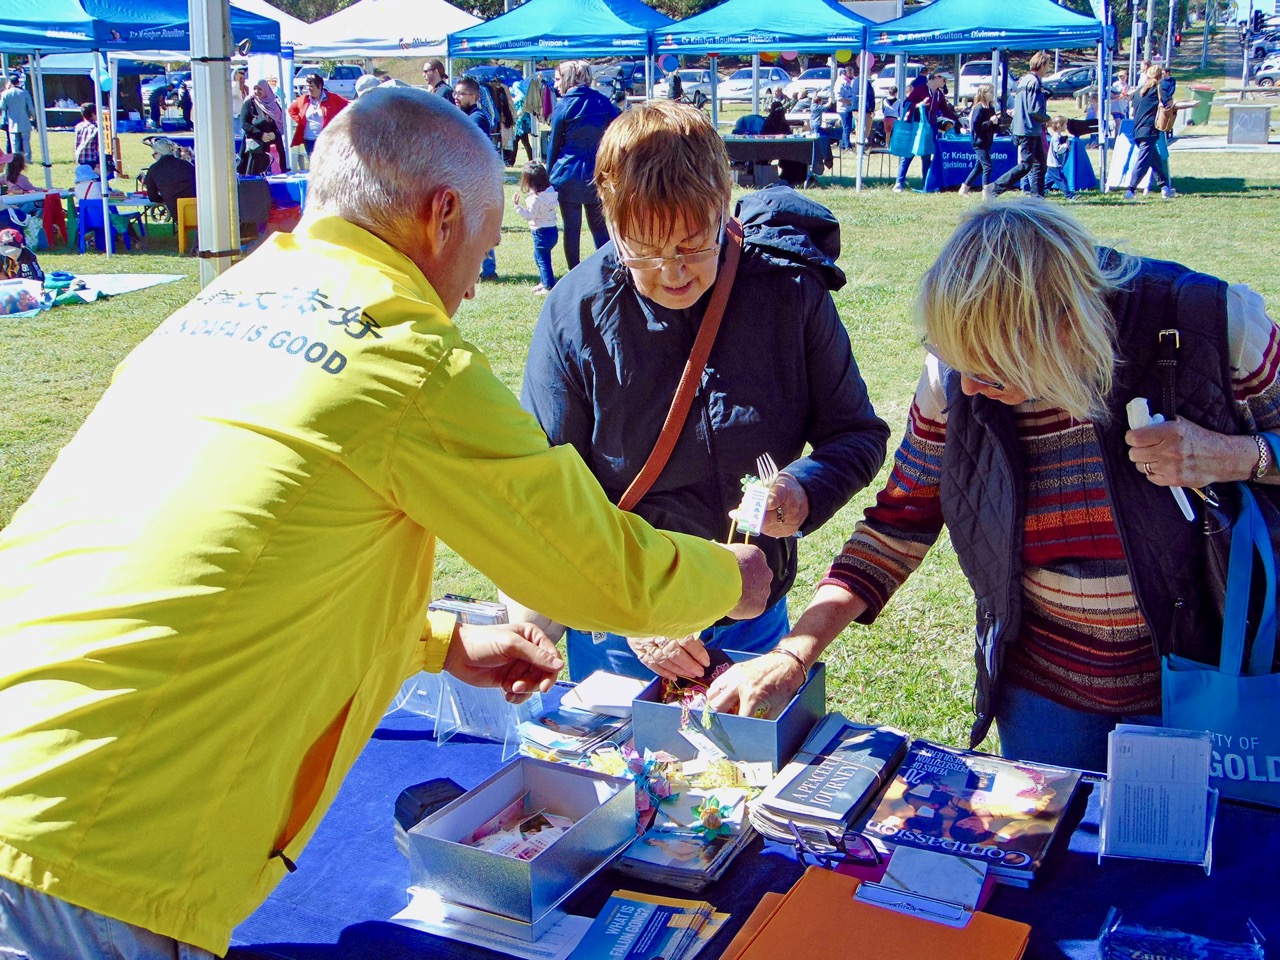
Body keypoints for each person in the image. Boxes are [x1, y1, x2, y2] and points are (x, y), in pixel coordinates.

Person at [0, 87, 771, 960]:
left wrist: (437, 641)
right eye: (482, 251)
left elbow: (250, 555)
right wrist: (729, 578)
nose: (476, 288)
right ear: (442, 217)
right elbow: (588, 568)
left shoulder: (218, 304)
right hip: (89, 851)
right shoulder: (405, 353)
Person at [708, 200, 1280, 773]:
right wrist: (793, 653)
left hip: (1208, 676)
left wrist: (1234, 455)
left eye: (996, 371)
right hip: (1045, 690)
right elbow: (898, 523)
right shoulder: (955, 379)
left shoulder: (1214, 323)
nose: (975, 389)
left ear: (1066, 326)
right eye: (962, 365)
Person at [521, 101, 890, 684]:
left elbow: (857, 434)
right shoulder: (576, 312)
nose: (673, 273)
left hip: (753, 611)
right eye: (644, 249)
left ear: (723, 208)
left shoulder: (789, 291)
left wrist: (801, 492)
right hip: (625, 622)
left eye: (694, 244)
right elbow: (546, 494)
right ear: (611, 223)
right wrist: (633, 610)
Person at [546, 60, 617, 271]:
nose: (556, 84)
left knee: (572, 228)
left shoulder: (564, 105)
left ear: (570, 79)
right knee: (599, 227)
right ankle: (609, 269)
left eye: (558, 79)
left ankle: (574, 273)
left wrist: (548, 175)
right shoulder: (603, 102)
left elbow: (554, 144)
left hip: (567, 173)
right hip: (597, 173)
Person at [455, 77, 499, 282]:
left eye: (462, 93)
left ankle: (488, 268)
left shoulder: (476, 118)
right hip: (470, 178)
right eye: (456, 93)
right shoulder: (464, 116)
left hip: (476, 180)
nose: (457, 97)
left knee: (479, 226)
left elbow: (470, 150)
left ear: (474, 96)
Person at [991, 51, 1051, 198]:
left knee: (1039, 165)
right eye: (1047, 65)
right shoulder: (1034, 82)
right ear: (1042, 65)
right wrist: (1047, 118)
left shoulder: (1024, 80)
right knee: (1026, 165)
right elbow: (1034, 109)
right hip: (1028, 129)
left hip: (1028, 128)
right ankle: (995, 188)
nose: (1048, 68)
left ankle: (1038, 198)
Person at [893, 70, 957, 193]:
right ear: (937, 77)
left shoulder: (939, 94)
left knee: (926, 156)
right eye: (944, 79)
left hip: (930, 127)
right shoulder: (921, 89)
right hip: (916, 126)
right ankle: (898, 183)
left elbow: (946, 111)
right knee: (908, 154)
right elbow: (906, 103)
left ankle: (926, 184)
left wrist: (958, 119)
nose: (945, 82)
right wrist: (919, 105)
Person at [1125, 64, 1177, 201]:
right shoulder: (1159, 89)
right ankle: (1131, 190)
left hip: (1137, 130)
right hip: (1149, 131)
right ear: (1161, 77)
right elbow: (1170, 103)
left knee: (1155, 159)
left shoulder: (1138, 91)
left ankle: (1165, 188)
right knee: (1143, 162)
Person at [512, 159, 559, 294]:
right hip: (552, 230)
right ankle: (544, 281)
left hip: (540, 233)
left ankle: (548, 285)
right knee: (539, 257)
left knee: (543, 260)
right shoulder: (551, 192)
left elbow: (529, 216)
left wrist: (517, 207)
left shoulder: (535, 199)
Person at [288, 73, 349, 163]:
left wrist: (339, 123)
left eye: (311, 86)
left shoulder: (332, 98)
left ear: (319, 86)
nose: (308, 89)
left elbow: (349, 106)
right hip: (309, 139)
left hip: (326, 138)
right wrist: (301, 121)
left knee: (327, 163)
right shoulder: (303, 99)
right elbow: (291, 110)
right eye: (307, 86)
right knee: (314, 164)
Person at [143, 135, 197, 221]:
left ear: (159, 153)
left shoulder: (154, 169)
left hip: (177, 214)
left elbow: (153, 197)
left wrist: (165, 198)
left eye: (154, 154)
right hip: (197, 210)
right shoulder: (186, 165)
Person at [958, 83, 998, 199]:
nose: (992, 94)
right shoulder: (978, 108)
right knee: (987, 166)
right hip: (979, 142)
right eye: (990, 92)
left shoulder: (991, 108)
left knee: (979, 167)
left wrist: (996, 123)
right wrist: (990, 122)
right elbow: (976, 127)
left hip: (987, 141)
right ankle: (986, 192)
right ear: (983, 94)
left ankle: (964, 187)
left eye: (992, 91)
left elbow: (993, 127)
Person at [238, 80, 283, 177]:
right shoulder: (249, 104)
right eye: (255, 88)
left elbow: (280, 125)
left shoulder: (274, 105)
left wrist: (275, 134)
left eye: (260, 89)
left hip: (273, 149)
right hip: (255, 150)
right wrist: (261, 135)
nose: (256, 91)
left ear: (266, 90)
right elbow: (244, 123)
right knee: (255, 181)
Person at [0, 73, 36, 162]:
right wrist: (33, 116)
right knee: (26, 141)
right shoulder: (24, 93)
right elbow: (30, 107)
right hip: (24, 120)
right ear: (18, 82)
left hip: (12, 121)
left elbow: (2, 107)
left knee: (14, 143)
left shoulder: (5, 93)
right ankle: (28, 159)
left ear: (10, 83)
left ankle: (16, 160)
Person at [1043, 116, 1075, 199]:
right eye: (1065, 124)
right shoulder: (1056, 137)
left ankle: (1040, 192)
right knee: (1062, 180)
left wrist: (1066, 148)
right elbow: (1057, 150)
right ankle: (1069, 196)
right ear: (1059, 125)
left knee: (1048, 181)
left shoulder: (1058, 136)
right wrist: (1065, 145)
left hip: (1051, 163)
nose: (1066, 126)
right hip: (1054, 163)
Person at [231, 67, 249, 134]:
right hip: (235, 117)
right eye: (240, 79)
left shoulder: (247, 89)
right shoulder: (232, 89)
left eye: (243, 79)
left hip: (244, 117)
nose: (242, 80)